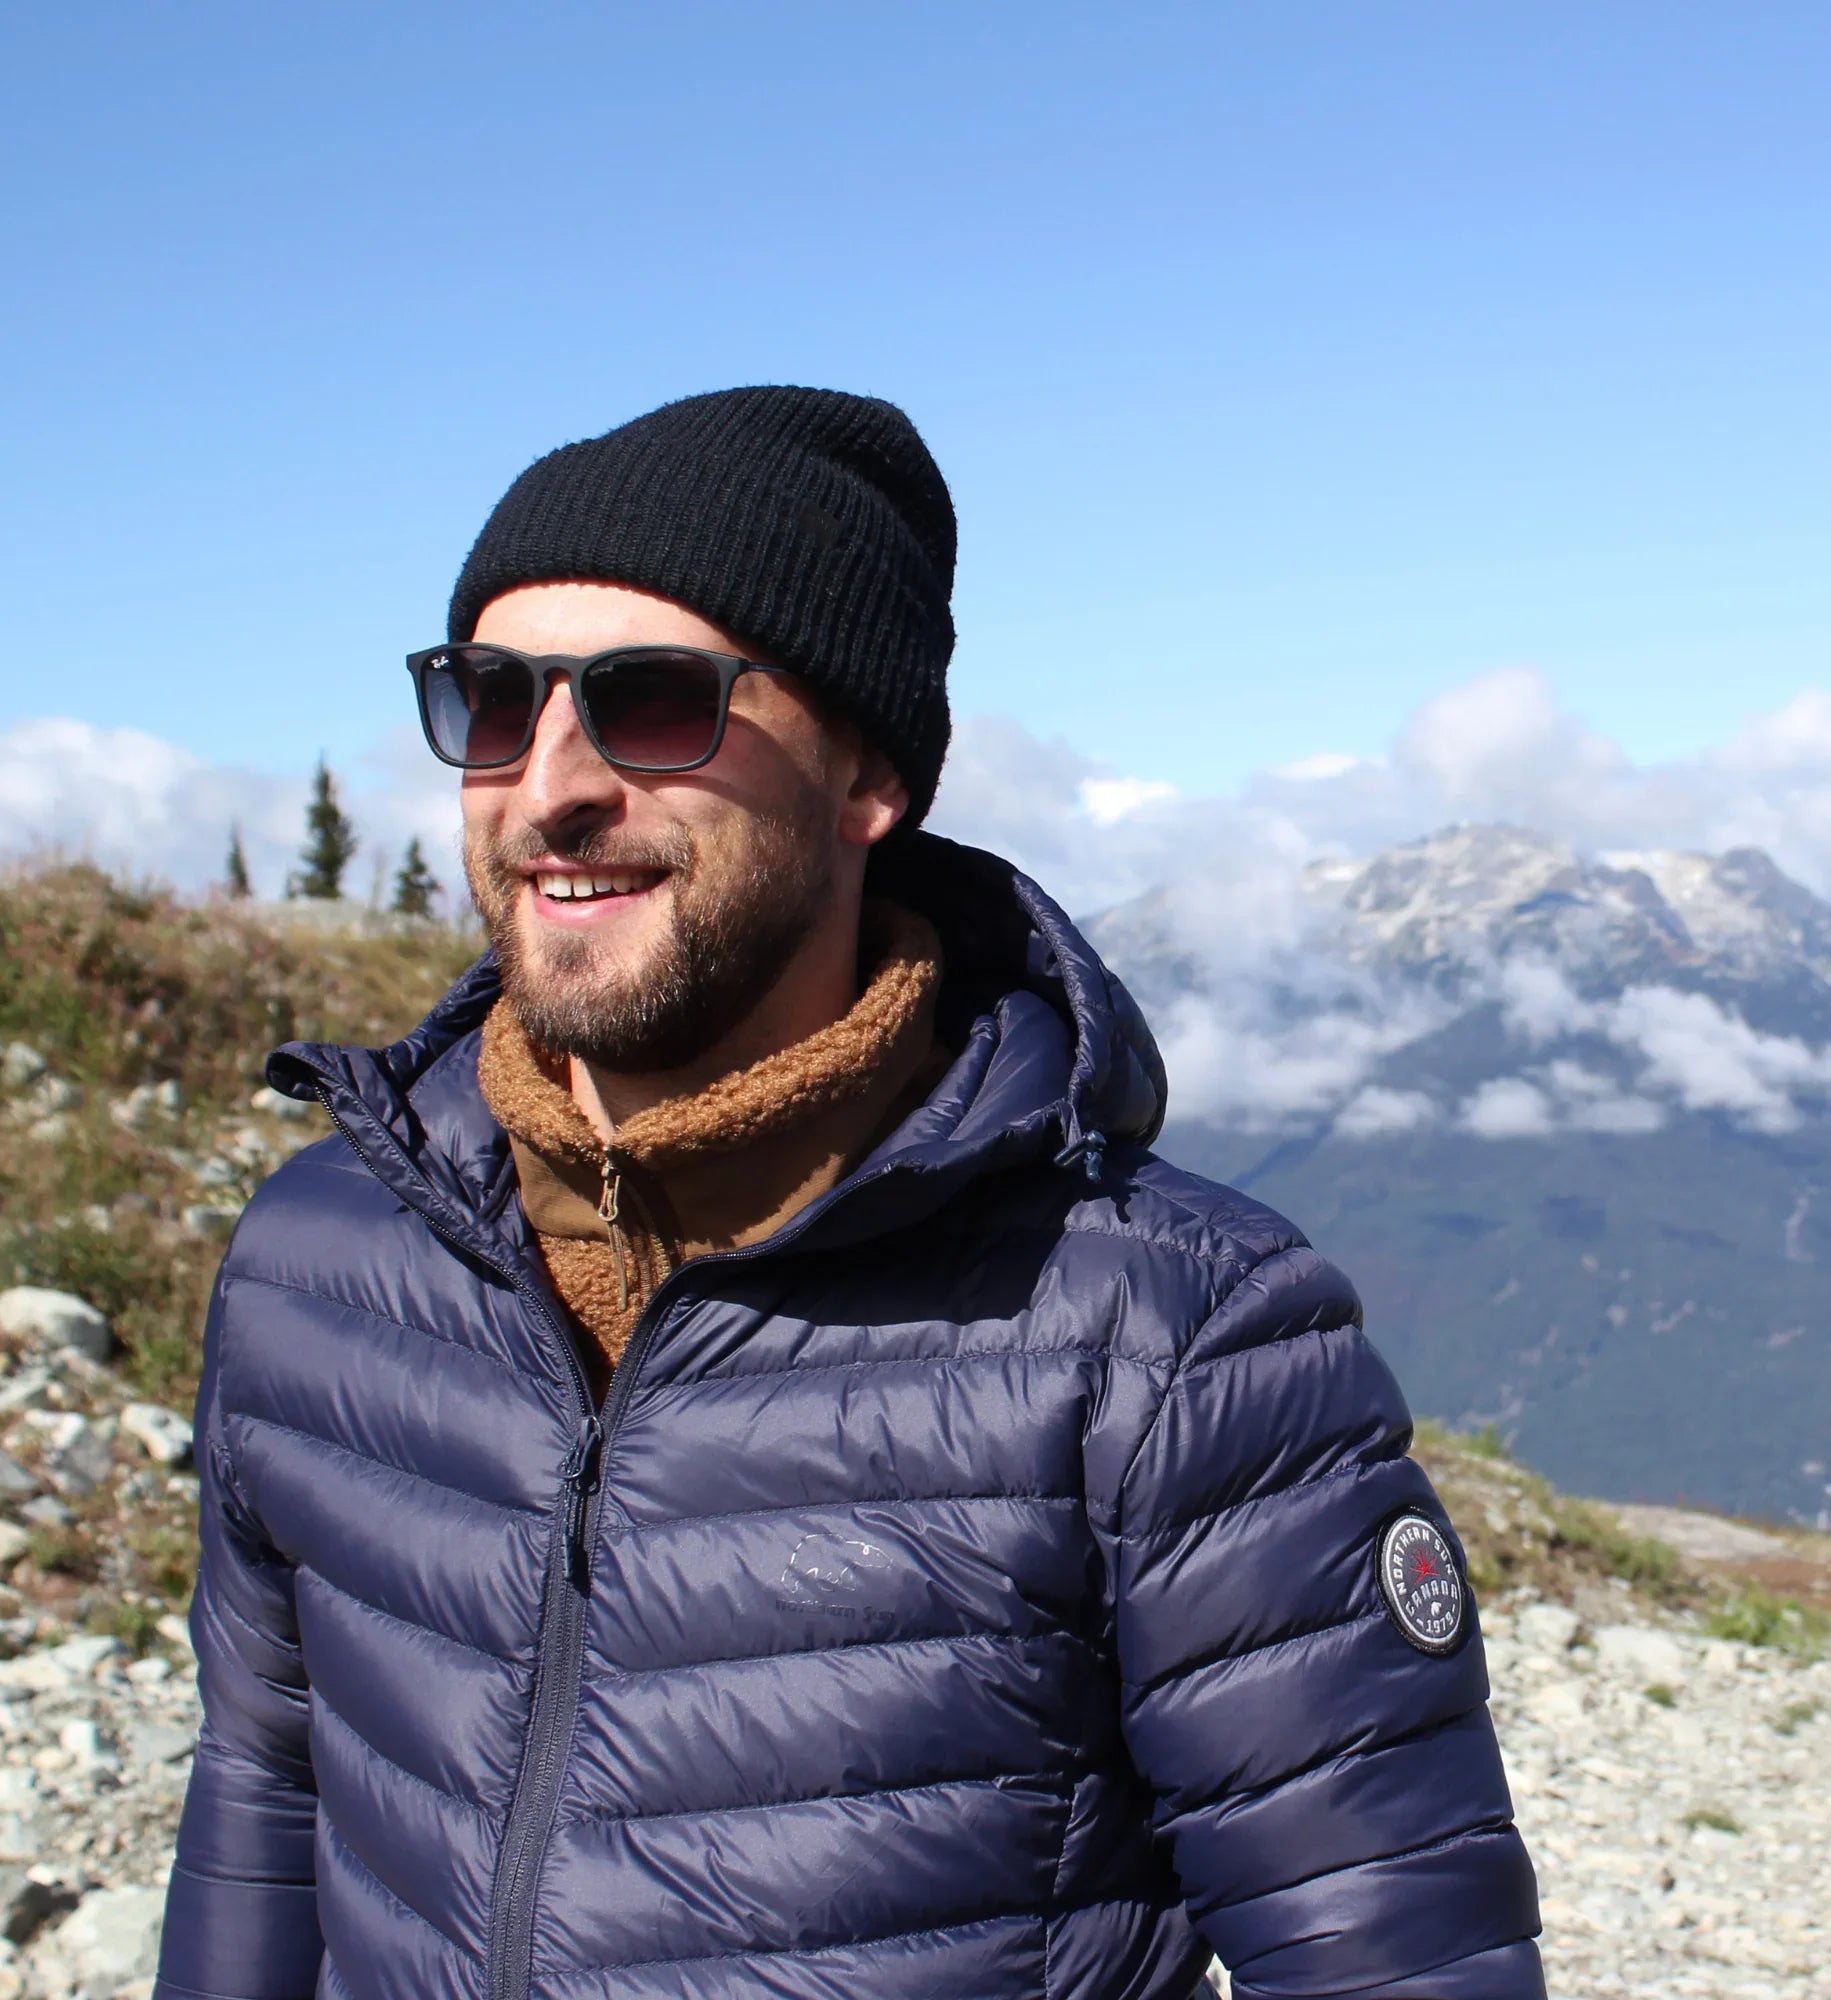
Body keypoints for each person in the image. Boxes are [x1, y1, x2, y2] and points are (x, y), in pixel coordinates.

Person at [156, 386, 1544, 1999]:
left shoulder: (1171, 1338)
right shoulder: (318, 1262)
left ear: (868, 777)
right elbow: (262, 1799)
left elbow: (1393, 1962)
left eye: (653, 701)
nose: (548, 786)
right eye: (491, 700)